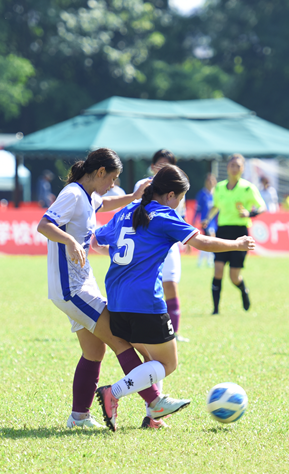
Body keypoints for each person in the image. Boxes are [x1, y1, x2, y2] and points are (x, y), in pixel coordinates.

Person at [92, 164, 255, 431]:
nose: (179, 204)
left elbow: (97, 241)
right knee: (168, 363)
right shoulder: (163, 215)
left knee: (149, 359)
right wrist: (237, 244)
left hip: (117, 299)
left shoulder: (128, 211)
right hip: (145, 301)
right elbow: (201, 241)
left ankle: (152, 415)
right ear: (170, 195)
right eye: (180, 198)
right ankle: (114, 392)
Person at [36, 148, 184, 430]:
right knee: (119, 340)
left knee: (94, 351)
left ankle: (79, 417)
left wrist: (132, 198)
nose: (112, 185)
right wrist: (68, 241)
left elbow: (106, 203)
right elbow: (45, 224)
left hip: (80, 283)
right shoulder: (73, 194)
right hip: (72, 288)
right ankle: (154, 403)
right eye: (112, 178)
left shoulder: (88, 196)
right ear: (100, 172)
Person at [202, 154, 266, 314]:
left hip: (240, 233)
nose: (234, 168)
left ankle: (243, 290)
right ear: (227, 168)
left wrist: (250, 214)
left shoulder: (248, 187)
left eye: (238, 165)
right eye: (232, 165)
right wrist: (207, 219)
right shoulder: (220, 187)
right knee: (217, 269)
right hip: (222, 231)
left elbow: (262, 206)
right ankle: (215, 309)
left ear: (242, 168)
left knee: (234, 276)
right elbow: (216, 206)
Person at [133, 149, 187, 340]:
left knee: (170, 284)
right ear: (153, 165)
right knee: (147, 284)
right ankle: (148, 329)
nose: (163, 168)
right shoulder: (142, 185)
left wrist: (185, 237)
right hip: (148, 243)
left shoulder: (178, 187)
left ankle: (174, 331)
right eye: (160, 164)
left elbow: (182, 215)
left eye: (168, 164)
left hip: (170, 243)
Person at [193, 172, 217, 268]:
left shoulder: (216, 194)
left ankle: (202, 261)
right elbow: (198, 208)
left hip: (214, 222)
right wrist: (194, 219)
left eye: (212, 180)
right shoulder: (202, 194)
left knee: (209, 241)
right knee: (210, 239)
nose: (210, 183)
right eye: (209, 181)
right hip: (205, 222)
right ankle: (209, 261)